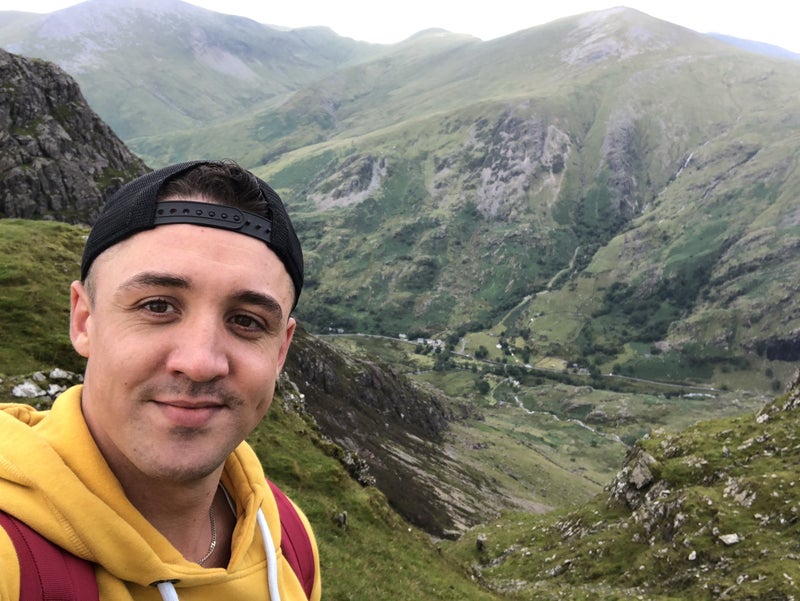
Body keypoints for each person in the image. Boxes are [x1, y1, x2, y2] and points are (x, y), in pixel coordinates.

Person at [0, 161, 321, 600]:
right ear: (84, 320)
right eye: (157, 306)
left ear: (280, 351)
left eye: (247, 320)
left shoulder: (288, 538)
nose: (200, 363)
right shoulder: (12, 562)